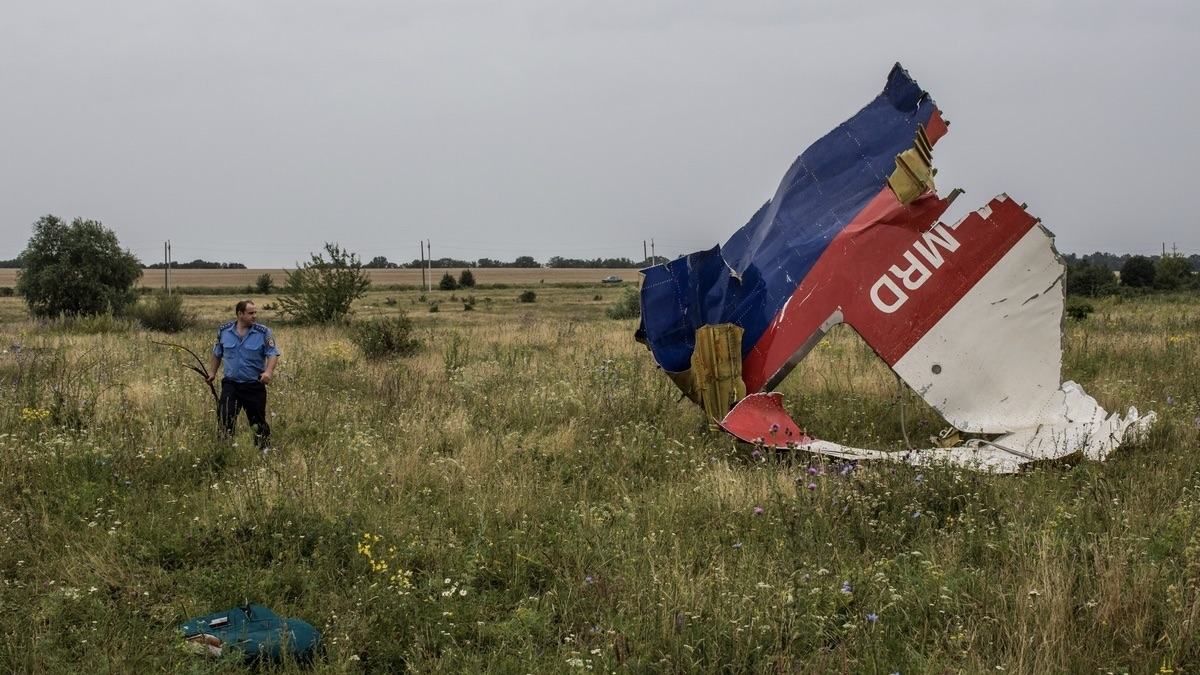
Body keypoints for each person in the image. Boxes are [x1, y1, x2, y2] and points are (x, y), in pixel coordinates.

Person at [206, 300, 279, 451]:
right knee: (225, 417)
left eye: (255, 313)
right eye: (250, 313)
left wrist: (268, 372)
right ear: (240, 314)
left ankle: (264, 451)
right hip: (231, 384)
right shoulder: (224, 331)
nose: (254, 316)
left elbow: (272, 354)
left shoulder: (263, 332)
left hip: (253, 384)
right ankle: (225, 449)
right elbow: (217, 353)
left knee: (257, 421)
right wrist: (212, 372)